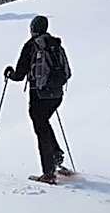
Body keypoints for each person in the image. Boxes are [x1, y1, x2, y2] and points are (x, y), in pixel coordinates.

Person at [5, 15, 71, 184]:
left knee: (40, 128)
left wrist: (10, 74)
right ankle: (55, 155)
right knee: (44, 123)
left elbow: (20, 75)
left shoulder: (31, 46)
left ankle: (48, 172)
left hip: (39, 95)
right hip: (57, 94)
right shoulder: (54, 43)